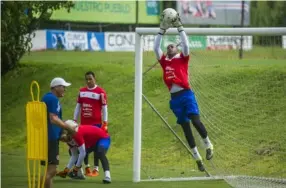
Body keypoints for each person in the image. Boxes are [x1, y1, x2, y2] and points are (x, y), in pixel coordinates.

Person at [154, 13, 214, 172]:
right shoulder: (164, 62)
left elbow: (186, 45)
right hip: (174, 100)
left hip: (186, 95)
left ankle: (208, 145)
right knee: (186, 129)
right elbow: (155, 48)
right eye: (168, 47)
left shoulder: (182, 58)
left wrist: (180, 27)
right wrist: (161, 30)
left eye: (172, 46)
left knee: (195, 121)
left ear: (177, 49)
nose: (169, 47)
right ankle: (197, 158)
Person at [40, 77, 75, 188]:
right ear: (56, 87)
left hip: (48, 137)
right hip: (49, 139)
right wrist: (69, 128)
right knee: (52, 171)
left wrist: (62, 136)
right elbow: (53, 119)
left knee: (49, 170)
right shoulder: (52, 99)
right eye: (63, 87)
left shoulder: (48, 98)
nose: (65, 89)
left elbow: (50, 122)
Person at [73, 71, 108, 177]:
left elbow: (104, 108)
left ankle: (96, 168)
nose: (88, 81)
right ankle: (87, 167)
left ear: (94, 78)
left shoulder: (100, 92)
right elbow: (78, 106)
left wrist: (105, 122)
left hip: (96, 125)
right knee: (82, 146)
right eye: (87, 79)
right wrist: (74, 119)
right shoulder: (82, 91)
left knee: (97, 146)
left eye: (90, 79)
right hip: (84, 124)